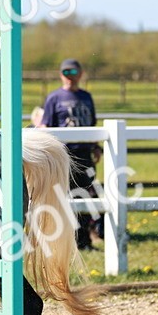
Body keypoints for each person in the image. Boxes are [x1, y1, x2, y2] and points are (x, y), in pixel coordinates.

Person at [34, 58, 103, 249]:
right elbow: (46, 126)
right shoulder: (54, 98)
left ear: (80, 74)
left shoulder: (86, 97)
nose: (70, 76)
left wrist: (96, 146)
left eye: (73, 72)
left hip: (85, 155)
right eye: (66, 72)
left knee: (86, 196)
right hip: (64, 155)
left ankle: (84, 240)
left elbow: (91, 125)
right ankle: (65, 240)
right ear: (61, 75)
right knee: (65, 197)